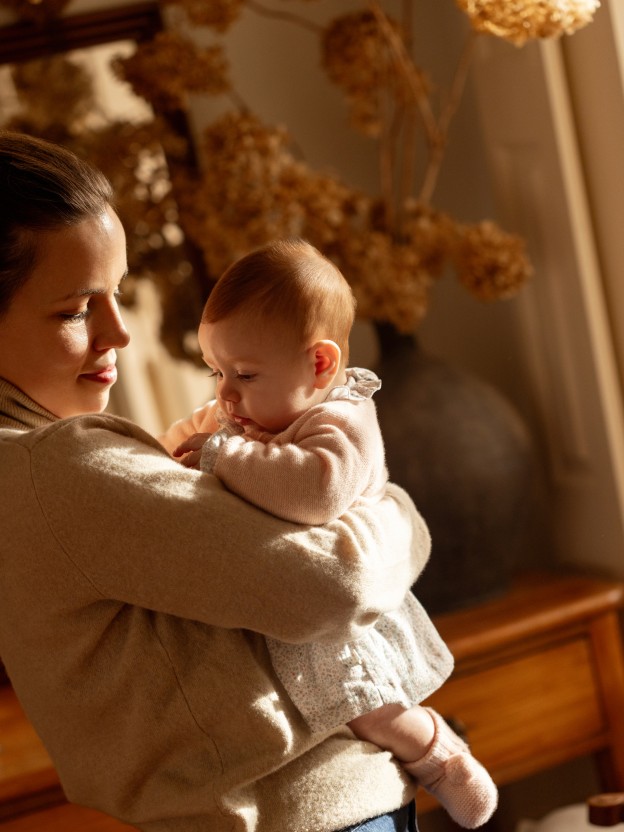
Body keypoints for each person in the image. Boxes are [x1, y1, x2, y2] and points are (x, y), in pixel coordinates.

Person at [0, 130, 432, 832]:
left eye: (117, 294)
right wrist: (393, 506)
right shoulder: (58, 466)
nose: (119, 332)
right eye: (76, 310)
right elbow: (331, 587)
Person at [160, 239, 498, 829]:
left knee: (369, 708)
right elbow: (184, 438)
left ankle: (440, 755)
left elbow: (315, 491)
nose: (225, 394)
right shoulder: (247, 411)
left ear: (319, 365)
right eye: (216, 372)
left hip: (341, 619)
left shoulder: (340, 418)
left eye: (243, 373)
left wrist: (221, 455)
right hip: (287, 609)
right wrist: (163, 457)